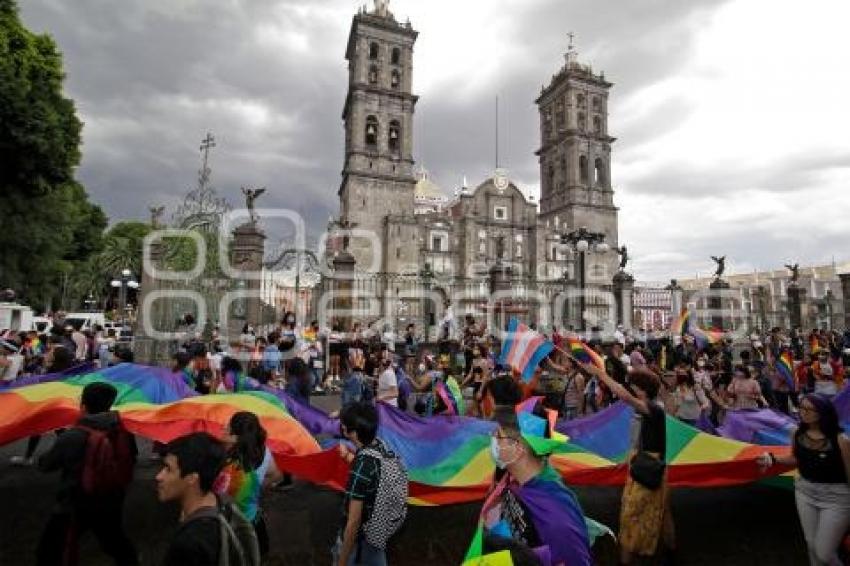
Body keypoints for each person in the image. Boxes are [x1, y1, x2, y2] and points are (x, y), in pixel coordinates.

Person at [581, 362, 675, 564]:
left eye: (632, 385)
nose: (629, 387)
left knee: (632, 515)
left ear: (640, 389)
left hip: (648, 469)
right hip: (650, 467)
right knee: (661, 513)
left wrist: (600, 374)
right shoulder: (649, 409)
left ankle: (629, 559)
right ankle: (669, 553)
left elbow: (624, 396)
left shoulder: (653, 408)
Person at [36, 382, 139, 565]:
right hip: (111, 497)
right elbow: (131, 457)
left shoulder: (74, 435)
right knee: (115, 541)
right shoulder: (122, 429)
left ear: (83, 406)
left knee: (50, 549)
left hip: (74, 502)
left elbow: (46, 465)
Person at [481, 407, 592, 566]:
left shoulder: (557, 518)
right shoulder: (516, 480)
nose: (492, 440)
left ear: (518, 450)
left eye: (498, 436)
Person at [759, 394, 850, 566]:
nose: (803, 412)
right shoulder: (797, 433)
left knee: (823, 553)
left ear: (823, 412)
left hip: (837, 498)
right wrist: (772, 458)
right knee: (811, 545)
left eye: (809, 409)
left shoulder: (841, 440)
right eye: (801, 408)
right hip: (805, 492)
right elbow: (796, 459)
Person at [158, 432, 259, 565]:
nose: (159, 476)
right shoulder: (222, 503)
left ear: (192, 478)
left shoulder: (189, 544)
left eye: (168, 469)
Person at [215, 412, 282, 557]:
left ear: (235, 437)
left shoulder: (225, 465)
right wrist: (256, 490)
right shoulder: (263, 451)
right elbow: (277, 475)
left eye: (227, 427)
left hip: (232, 526)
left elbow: (217, 498)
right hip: (254, 523)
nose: (223, 427)